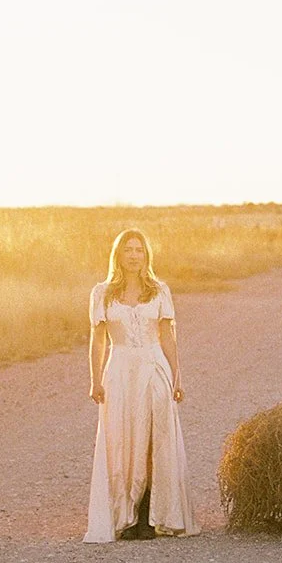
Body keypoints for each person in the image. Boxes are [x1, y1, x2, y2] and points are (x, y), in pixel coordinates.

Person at [84, 228, 198, 542]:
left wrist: (177, 376)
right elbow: (98, 341)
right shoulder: (102, 293)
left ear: (146, 255)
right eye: (128, 250)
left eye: (139, 250)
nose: (134, 255)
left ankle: (151, 513)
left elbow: (167, 337)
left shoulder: (160, 290)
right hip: (119, 370)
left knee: (154, 437)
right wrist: (95, 381)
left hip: (153, 366)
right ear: (118, 255)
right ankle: (125, 515)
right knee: (122, 440)